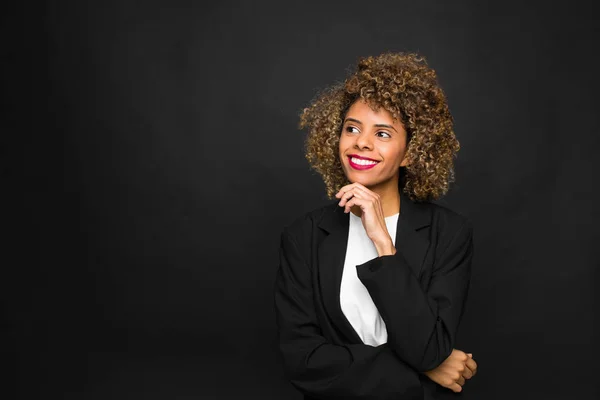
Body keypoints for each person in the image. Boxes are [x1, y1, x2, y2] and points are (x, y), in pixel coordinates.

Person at [274, 52, 477, 400]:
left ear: (412, 152)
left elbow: (428, 345)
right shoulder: (303, 236)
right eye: (352, 128)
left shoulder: (450, 233)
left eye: (382, 133)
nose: (361, 142)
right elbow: (303, 360)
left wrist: (383, 242)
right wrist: (425, 371)